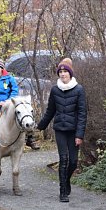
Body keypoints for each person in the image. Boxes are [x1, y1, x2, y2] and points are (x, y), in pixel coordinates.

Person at [37, 58, 87, 202]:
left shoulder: (79, 90)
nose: (63, 74)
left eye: (65, 71)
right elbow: (50, 111)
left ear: (70, 73)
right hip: (60, 129)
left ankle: (66, 181)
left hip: (73, 131)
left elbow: (83, 114)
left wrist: (79, 135)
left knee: (73, 162)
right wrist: (40, 126)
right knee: (63, 159)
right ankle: (62, 191)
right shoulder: (54, 90)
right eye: (60, 72)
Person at [0, 57, 40, 152]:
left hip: (10, 103)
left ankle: (30, 137)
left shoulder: (9, 78)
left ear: (2, 68)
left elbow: (14, 90)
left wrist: (9, 101)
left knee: (25, 114)